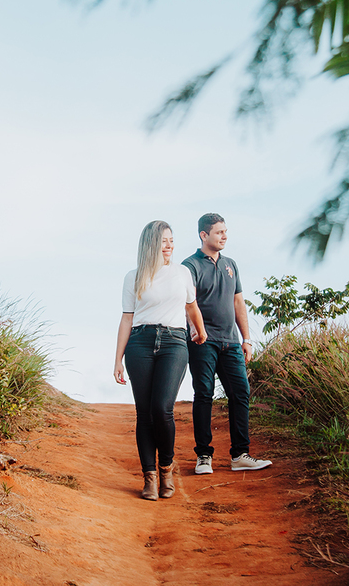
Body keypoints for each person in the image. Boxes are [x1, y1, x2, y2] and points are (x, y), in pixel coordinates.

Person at [114, 220, 208, 500]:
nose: (170, 246)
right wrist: (117, 359)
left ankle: (166, 468)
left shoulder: (182, 273)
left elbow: (192, 307)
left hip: (174, 342)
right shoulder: (133, 276)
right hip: (140, 342)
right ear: (151, 244)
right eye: (164, 241)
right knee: (144, 413)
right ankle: (150, 478)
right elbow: (127, 318)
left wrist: (201, 332)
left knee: (161, 408)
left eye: (171, 240)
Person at [183, 213, 272, 474]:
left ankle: (240, 455)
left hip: (231, 342)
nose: (224, 236)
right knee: (204, 394)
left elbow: (238, 303)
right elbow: (189, 304)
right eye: (219, 232)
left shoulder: (231, 264)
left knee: (240, 393)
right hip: (203, 341)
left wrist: (246, 339)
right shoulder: (190, 266)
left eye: (225, 232)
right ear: (204, 235)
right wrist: (197, 332)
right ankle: (203, 457)